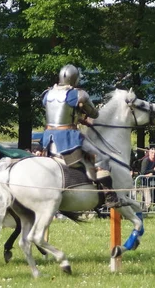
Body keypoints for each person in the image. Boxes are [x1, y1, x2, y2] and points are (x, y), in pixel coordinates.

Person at [42, 64, 121, 208]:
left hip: (48, 138)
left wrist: (76, 116)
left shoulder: (48, 93)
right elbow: (94, 114)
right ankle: (109, 195)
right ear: (75, 78)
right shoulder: (78, 94)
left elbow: (59, 113)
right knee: (102, 158)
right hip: (68, 137)